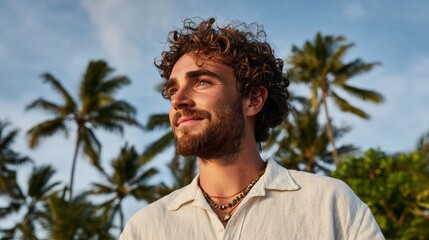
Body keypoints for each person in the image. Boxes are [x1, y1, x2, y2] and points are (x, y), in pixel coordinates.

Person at [120, 17, 384, 239]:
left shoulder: (330, 204)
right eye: (173, 90)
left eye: (201, 82)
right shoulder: (144, 229)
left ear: (254, 100)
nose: (178, 100)